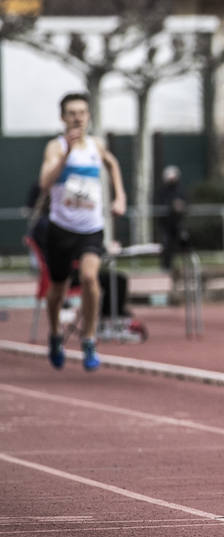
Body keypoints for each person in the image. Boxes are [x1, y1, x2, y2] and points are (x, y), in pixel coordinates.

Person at [37, 92, 127, 371]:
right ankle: (54, 334)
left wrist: (120, 196)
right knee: (57, 290)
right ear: (63, 117)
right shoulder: (56, 147)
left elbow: (112, 164)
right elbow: (44, 183)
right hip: (62, 228)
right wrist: (64, 157)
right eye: (72, 113)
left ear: (88, 116)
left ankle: (88, 338)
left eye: (82, 112)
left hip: (91, 227)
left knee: (90, 278)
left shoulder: (96, 145)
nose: (77, 117)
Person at [157, 165, 189, 271]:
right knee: (167, 245)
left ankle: (186, 266)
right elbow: (161, 203)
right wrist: (172, 205)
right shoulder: (162, 191)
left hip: (178, 223)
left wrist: (181, 205)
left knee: (183, 244)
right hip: (166, 224)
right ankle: (166, 266)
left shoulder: (180, 190)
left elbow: (185, 202)